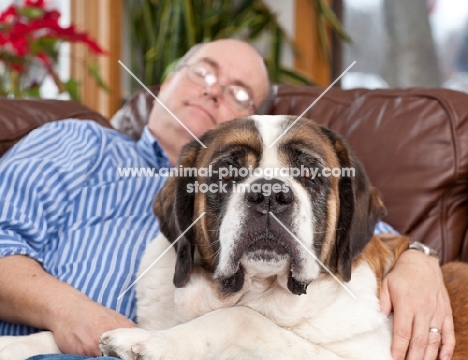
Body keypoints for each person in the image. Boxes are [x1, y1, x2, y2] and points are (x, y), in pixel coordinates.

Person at [0, 39, 454, 360]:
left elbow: (359, 231)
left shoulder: (279, 181)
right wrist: (74, 316)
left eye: (238, 93)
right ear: (165, 80)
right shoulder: (76, 142)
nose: (213, 90)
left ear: (257, 120)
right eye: (202, 71)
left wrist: (417, 256)